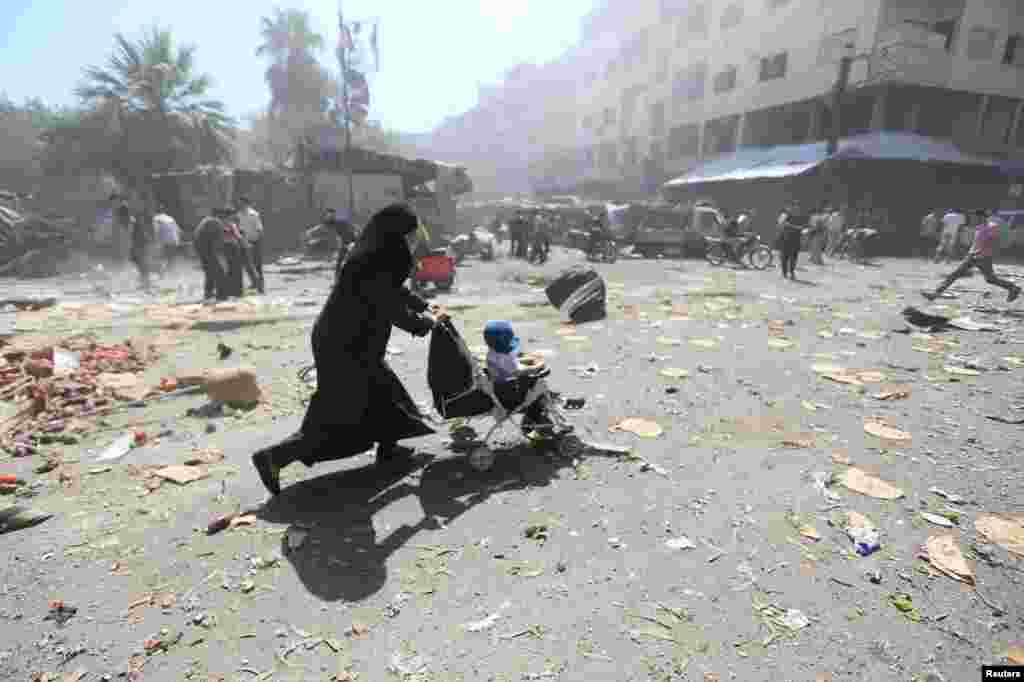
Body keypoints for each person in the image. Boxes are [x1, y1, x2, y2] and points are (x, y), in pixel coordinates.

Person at [251, 204, 448, 496]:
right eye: (410, 233)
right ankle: (274, 457)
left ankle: (389, 448)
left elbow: (393, 289)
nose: (414, 239)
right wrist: (424, 323)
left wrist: (422, 305)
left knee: (383, 391)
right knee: (339, 413)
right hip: (346, 344)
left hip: (346, 338)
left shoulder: (373, 251)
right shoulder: (378, 256)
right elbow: (387, 301)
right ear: (398, 233)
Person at [923, 209, 1021, 303]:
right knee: (954, 274)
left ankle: (1013, 288)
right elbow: (977, 243)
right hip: (972, 256)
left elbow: (994, 242)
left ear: (982, 217)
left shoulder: (992, 227)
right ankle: (935, 294)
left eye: (975, 217)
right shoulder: (979, 227)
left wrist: (984, 252)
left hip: (983, 258)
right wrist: (970, 252)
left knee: (990, 279)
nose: (973, 219)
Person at [483, 320, 555, 436]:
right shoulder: (502, 356)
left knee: (532, 385)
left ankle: (534, 418)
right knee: (536, 386)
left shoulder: (492, 353)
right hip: (509, 395)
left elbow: (509, 364)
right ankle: (535, 421)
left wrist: (527, 360)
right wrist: (537, 366)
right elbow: (517, 371)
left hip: (500, 389)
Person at [193, 209, 229, 301]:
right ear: (221, 216)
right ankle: (221, 295)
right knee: (219, 271)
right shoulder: (216, 222)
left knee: (209, 272)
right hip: (206, 249)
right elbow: (219, 241)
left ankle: (208, 293)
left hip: (201, 248)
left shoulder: (207, 220)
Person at [236, 197, 266, 291]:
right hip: (244, 242)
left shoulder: (253, 214)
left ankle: (261, 286)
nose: (240, 205)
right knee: (247, 264)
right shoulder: (238, 215)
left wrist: (258, 242)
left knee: (257, 264)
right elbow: (239, 229)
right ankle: (254, 283)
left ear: (246, 204)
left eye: (241, 203)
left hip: (254, 241)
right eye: (239, 204)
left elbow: (260, 229)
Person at [776, 203, 806, 280]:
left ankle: (792, 272)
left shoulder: (799, 217)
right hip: (786, 239)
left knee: (794, 257)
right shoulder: (785, 215)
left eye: (797, 208)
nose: (796, 209)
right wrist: (796, 228)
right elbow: (781, 224)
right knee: (784, 257)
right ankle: (784, 273)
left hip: (795, 239)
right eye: (794, 207)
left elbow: (802, 227)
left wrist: (802, 233)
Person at [127, 200, 152, 290]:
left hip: (140, 244)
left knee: (141, 263)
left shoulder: (133, 220)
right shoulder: (137, 220)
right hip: (142, 243)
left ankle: (145, 283)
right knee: (141, 263)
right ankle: (145, 282)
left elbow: (131, 232)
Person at [152, 205, 181, 274]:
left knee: (161, 257)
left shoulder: (156, 218)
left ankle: (162, 273)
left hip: (165, 241)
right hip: (174, 241)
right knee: (170, 258)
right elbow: (178, 230)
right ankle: (170, 272)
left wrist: (155, 242)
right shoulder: (170, 218)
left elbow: (156, 230)